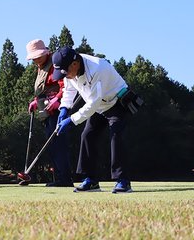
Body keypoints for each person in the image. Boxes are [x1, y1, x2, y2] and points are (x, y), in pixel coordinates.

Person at [52, 46, 133, 193]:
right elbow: (69, 90)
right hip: (98, 104)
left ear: (75, 64)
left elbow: (92, 104)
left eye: (66, 72)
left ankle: (123, 181)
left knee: (116, 135)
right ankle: (91, 180)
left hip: (116, 101)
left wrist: (71, 120)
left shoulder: (97, 68)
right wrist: (64, 109)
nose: (65, 76)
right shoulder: (69, 70)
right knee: (87, 135)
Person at [23, 39, 72, 187]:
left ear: (46, 52)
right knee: (52, 145)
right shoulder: (41, 66)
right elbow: (43, 89)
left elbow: (65, 86)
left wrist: (57, 99)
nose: (36, 59)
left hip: (57, 110)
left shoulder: (55, 64)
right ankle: (58, 178)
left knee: (58, 145)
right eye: (34, 57)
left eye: (38, 56)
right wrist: (35, 101)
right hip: (45, 109)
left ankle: (64, 179)